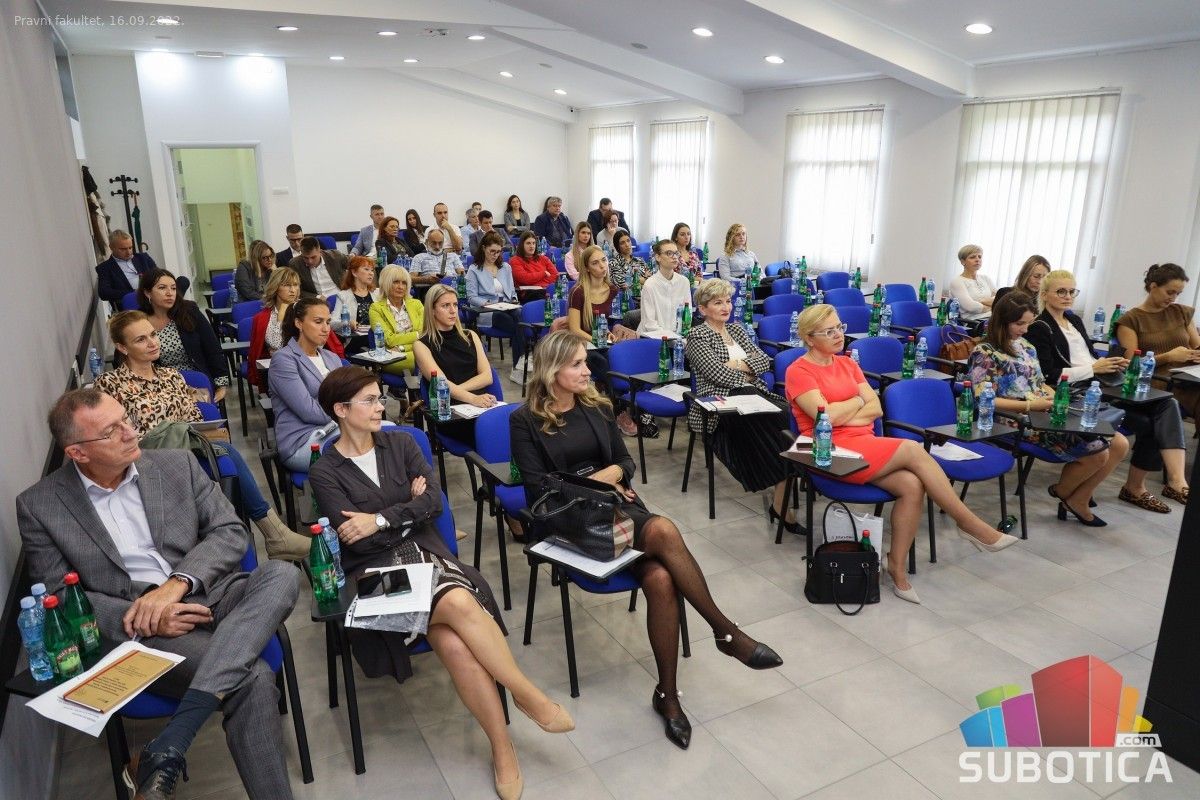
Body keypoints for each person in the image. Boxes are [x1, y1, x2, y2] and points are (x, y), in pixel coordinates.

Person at [17, 389, 300, 799]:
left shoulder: (176, 464)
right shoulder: (41, 505)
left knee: (280, 573)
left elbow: (229, 531)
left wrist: (176, 585)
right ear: (77, 452)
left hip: (213, 592)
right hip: (147, 629)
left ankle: (172, 740)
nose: (131, 432)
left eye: (126, 419)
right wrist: (142, 614)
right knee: (252, 677)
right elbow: (59, 595)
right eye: (112, 431)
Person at [511, 331, 783, 750]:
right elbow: (537, 488)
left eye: (586, 362)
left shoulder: (597, 406)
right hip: (568, 520)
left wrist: (612, 476)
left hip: (614, 510)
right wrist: (601, 481)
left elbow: (626, 461)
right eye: (577, 364)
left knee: (659, 578)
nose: (587, 371)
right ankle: (725, 632)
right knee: (662, 529)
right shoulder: (524, 420)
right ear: (552, 370)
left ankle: (668, 696)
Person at [309, 367, 571, 799]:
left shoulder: (402, 443)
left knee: (453, 644)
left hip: (426, 555)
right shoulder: (325, 471)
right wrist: (402, 513)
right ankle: (526, 696)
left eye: (380, 398)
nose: (381, 407)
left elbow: (433, 504)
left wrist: (379, 519)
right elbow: (354, 538)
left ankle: (502, 749)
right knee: (459, 604)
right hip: (374, 576)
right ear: (340, 410)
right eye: (370, 400)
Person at [787, 304, 1019, 602]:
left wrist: (847, 411)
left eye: (839, 327)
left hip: (863, 442)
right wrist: (857, 402)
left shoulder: (847, 364)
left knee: (912, 485)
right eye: (828, 331)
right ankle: (969, 524)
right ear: (809, 338)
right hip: (825, 450)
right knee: (910, 448)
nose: (838, 335)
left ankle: (896, 566)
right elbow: (825, 418)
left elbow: (876, 408)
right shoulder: (799, 371)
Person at [97, 311, 310, 559]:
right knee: (226, 456)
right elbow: (113, 434)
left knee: (225, 456)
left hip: (187, 451)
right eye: (140, 339)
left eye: (153, 335)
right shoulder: (110, 384)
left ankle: (255, 538)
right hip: (146, 460)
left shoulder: (171, 376)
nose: (152, 343)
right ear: (122, 347)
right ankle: (273, 534)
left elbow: (194, 420)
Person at [1026, 271, 1189, 512]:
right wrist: (1094, 368)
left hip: (1102, 381)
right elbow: (1049, 375)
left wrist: (1110, 363)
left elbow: (1090, 355)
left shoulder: (1074, 320)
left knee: (1167, 404)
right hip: (1078, 389)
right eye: (1061, 291)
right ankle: (1128, 489)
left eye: (1072, 291)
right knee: (1151, 422)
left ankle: (1177, 481)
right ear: (1044, 294)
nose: (1067, 296)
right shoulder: (1040, 327)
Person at [967, 292, 1130, 526]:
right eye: (1019, 323)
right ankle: (1066, 494)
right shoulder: (985, 352)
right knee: (1099, 451)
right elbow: (983, 400)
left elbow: (1039, 383)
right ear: (1002, 321)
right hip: (1013, 420)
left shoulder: (1026, 346)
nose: (1025, 329)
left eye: (1028, 323)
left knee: (1120, 443)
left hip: (1043, 412)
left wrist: (1056, 397)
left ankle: (1077, 498)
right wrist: (1031, 405)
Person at [686, 279, 793, 519]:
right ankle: (784, 484)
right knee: (780, 425)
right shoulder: (697, 335)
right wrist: (747, 371)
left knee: (789, 417)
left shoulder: (736, 330)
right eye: (717, 303)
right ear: (703, 309)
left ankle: (784, 486)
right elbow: (718, 374)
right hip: (720, 403)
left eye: (728, 301)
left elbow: (764, 361)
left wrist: (735, 364)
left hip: (752, 394)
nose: (726, 307)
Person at [415, 285, 501, 448]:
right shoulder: (422, 345)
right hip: (451, 412)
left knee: (516, 425)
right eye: (445, 305)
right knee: (497, 433)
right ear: (432, 310)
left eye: (455, 305)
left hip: (481, 405)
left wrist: (455, 391)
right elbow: (441, 384)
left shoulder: (470, 335)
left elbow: (487, 376)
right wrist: (473, 398)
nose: (453, 310)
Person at [567, 245, 639, 433]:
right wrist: (596, 338)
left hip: (600, 341)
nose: (602, 266)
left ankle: (626, 406)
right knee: (604, 364)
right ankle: (618, 412)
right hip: (581, 344)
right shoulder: (578, 292)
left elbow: (603, 322)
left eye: (604, 260)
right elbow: (574, 329)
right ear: (587, 268)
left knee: (621, 361)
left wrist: (607, 333)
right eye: (595, 263)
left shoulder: (612, 289)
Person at [1115, 262, 1200, 421]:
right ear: (1153, 287)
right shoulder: (1130, 320)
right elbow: (1131, 365)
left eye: (1178, 293)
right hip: (1156, 380)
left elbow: (1197, 346)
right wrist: (1168, 357)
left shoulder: (1181, 312)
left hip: (1188, 376)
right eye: (1170, 292)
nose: (1173, 298)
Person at [269, 297, 344, 471]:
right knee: (368, 441)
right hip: (302, 440)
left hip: (338, 429)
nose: (326, 328)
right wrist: (349, 413)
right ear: (299, 323)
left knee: (388, 430)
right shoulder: (283, 360)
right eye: (318, 322)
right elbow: (309, 411)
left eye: (328, 322)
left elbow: (348, 396)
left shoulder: (332, 358)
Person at [137, 269, 229, 402]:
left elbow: (212, 348)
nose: (170, 293)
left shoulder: (189, 311)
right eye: (162, 288)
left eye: (173, 288)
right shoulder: (138, 320)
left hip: (196, 381)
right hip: (159, 387)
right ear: (147, 292)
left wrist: (221, 385)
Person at [247, 268, 344, 391]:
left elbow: (320, 342)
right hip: (279, 368)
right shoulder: (261, 318)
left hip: (311, 363)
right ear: (275, 287)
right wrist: (281, 316)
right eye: (287, 285)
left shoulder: (308, 311)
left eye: (296, 285)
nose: (293, 290)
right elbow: (278, 345)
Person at [465, 234, 527, 379]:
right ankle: (520, 365)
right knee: (519, 325)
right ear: (483, 248)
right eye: (492, 251)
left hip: (506, 306)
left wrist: (513, 300)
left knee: (519, 314)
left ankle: (519, 367)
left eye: (498, 252)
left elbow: (512, 292)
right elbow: (471, 297)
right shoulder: (474, 269)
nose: (495, 255)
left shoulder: (505, 267)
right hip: (487, 311)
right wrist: (487, 304)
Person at [368, 265, 423, 375]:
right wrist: (417, 335)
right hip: (393, 357)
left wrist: (402, 347)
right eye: (396, 282)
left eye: (404, 283)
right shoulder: (376, 308)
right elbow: (390, 340)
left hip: (412, 351)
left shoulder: (416, 304)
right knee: (429, 358)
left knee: (427, 356)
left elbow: (425, 335)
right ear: (386, 283)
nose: (401, 287)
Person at [638, 239, 692, 338]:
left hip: (677, 336)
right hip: (653, 337)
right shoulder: (650, 285)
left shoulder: (684, 282)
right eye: (669, 253)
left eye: (676, 253)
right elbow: (649, 324)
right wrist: (670, 337)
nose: (674, 257)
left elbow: (688, 314)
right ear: (658, 257)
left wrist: (680, 335)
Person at [332, 255, 380, 355]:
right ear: (354, 272)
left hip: (378, 336)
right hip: (356, 341)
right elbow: (332, 323)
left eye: (372, 270)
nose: (371, 273)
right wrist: (348, 323)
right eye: (366, 269)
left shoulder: (377, 293)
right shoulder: (343, 296)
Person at [97, 229, 158, 305]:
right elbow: (104, 293)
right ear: (111, 247)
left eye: (130, 248)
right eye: (123, 249)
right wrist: (134, 293)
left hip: (154, 300)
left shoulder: (143, 258)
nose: (128, 252)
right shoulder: (105, 268)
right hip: (130, 305)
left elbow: (159, 277)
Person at [947, 244, 997, 322]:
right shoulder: (957, 281)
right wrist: (993, 306)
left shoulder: (985, 278)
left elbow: (999, 298)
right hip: (974, 321)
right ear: (963, 262)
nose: (977, 259)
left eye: (979, 257)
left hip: (993, 317)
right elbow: (970, 306)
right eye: (972, 257)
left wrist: (981, 302)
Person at [289, 235, 347, 301]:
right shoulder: (295, 264)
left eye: (313, 257)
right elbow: (297, 290)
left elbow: (353, 266)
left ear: (320, 250)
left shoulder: (335, 256)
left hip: (340, 296)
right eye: (305, 258)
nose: (310, 261)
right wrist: (317, 297)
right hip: (316, 301)